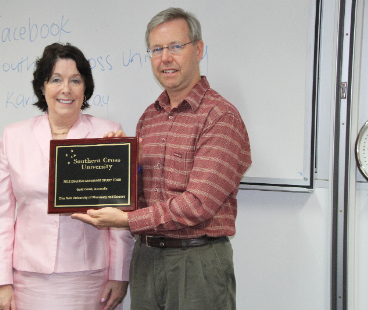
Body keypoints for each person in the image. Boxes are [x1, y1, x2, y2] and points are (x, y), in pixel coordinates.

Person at [72, 7, 251, 310]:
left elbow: (198, 205)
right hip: (147, 258)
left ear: (198, 49)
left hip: (196, 264)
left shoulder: (220, 117)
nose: (165, 58)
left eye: (175, 47)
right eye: (156, 49)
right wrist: (116, 162)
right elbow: (139, 193)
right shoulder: (149, 117)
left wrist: (127, 220)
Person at [0, 43, 135, 310]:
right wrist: (0, 281)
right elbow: (0, 215)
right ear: (42, 87)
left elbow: (119, 213)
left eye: (75, 80)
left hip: (91, 277)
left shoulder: (108, 134)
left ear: (85, 88)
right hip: (28, 277)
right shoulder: (13, 136)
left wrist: (119, 273)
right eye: (56, 79)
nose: (65, 89)